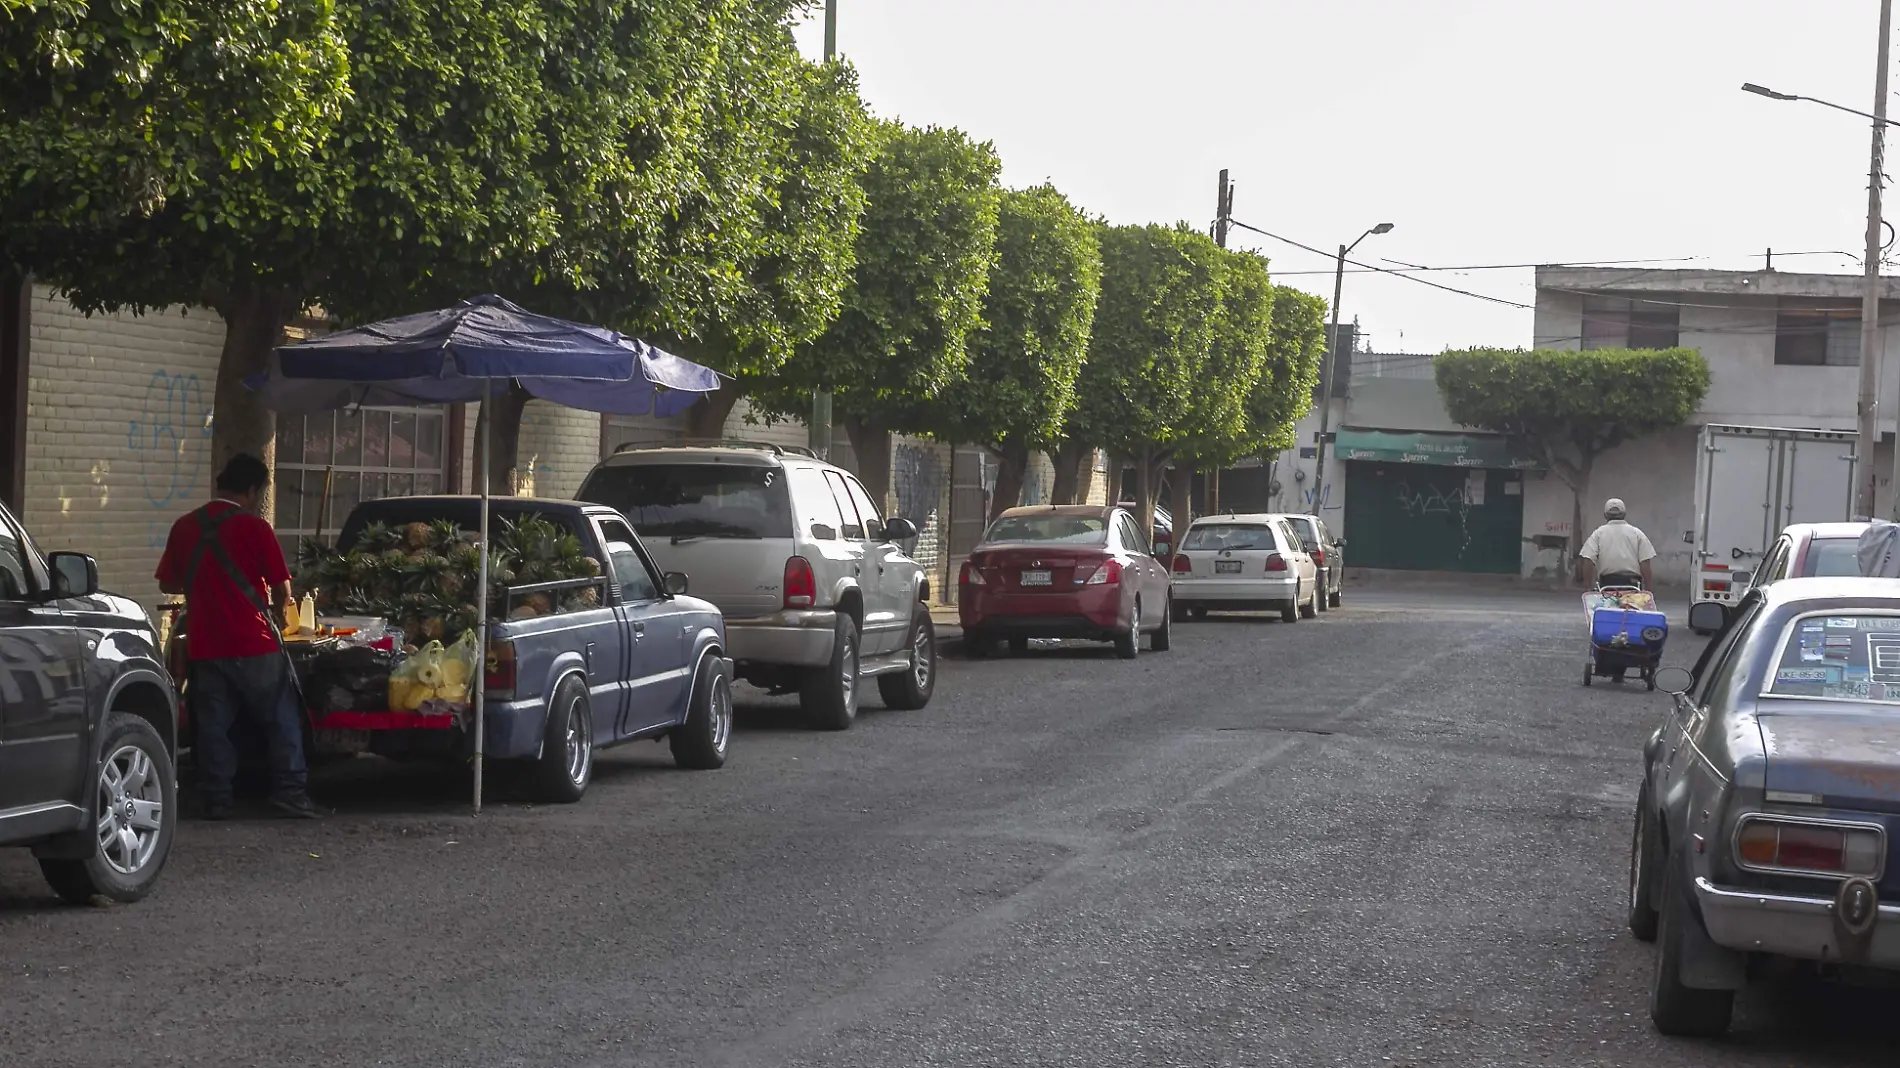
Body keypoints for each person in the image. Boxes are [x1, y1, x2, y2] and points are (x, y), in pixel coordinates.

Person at [156, 455, 321, 820]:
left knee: (214, 725)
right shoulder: (255, 528)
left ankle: (217, 797)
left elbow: (168, 582)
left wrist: (206, 584)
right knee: (281, 717)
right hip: (254, 643)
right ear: (251, 490)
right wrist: (281, 613)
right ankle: (290, 791)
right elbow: (282, 590)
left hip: (205, 643)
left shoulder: (185, 526)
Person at [1578, 497, 1656, 591]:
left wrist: (1587, 587)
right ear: (1624, 514)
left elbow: (1588, 560)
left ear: (1605, 515)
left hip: (1607, 584)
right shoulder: (1637, 533)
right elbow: (1645, 563)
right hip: (1632, 583)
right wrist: (1648, 590)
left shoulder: (1598, 534)